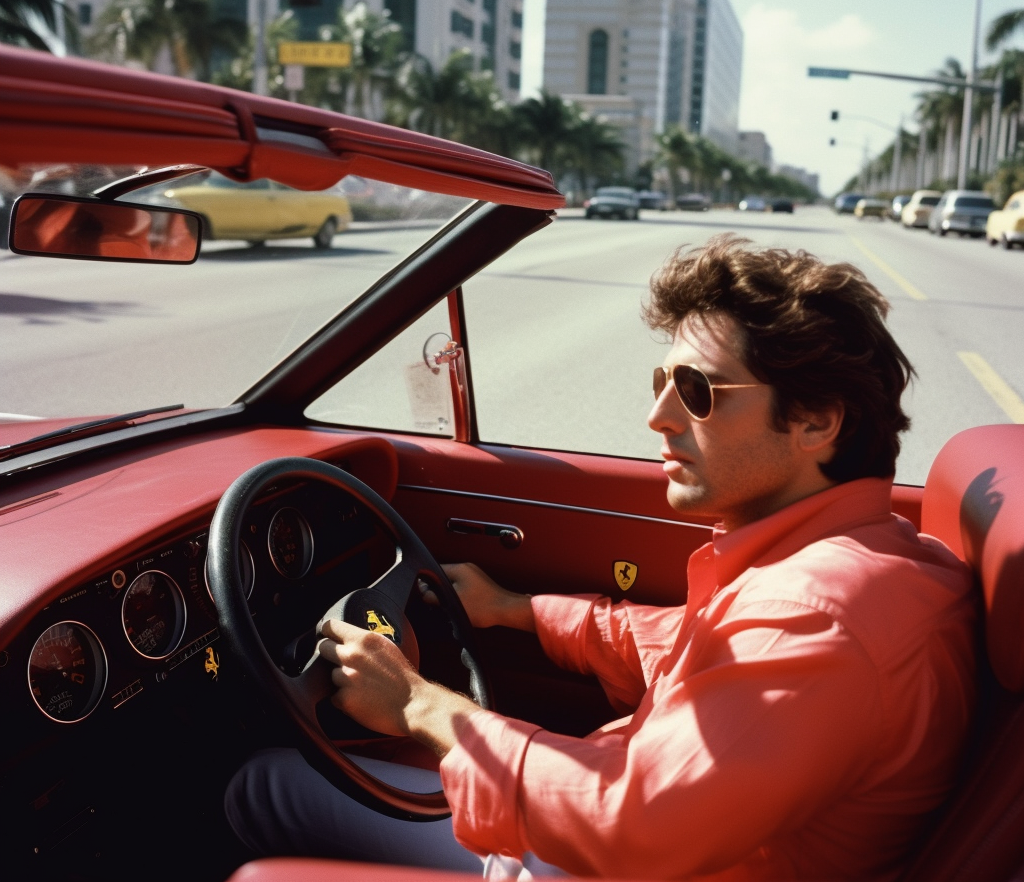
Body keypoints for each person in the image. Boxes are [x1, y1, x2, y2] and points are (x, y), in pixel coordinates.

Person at [226, 235, 977, 880]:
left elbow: (632, 820)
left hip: (615, 854)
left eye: (697, 390)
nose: (658, 416)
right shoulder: (876, 559)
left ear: (815, 421)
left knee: (261, 787)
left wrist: (417, 704)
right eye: (661, 382)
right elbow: (680, 645)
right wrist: (514, 610)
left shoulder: (816, 617)